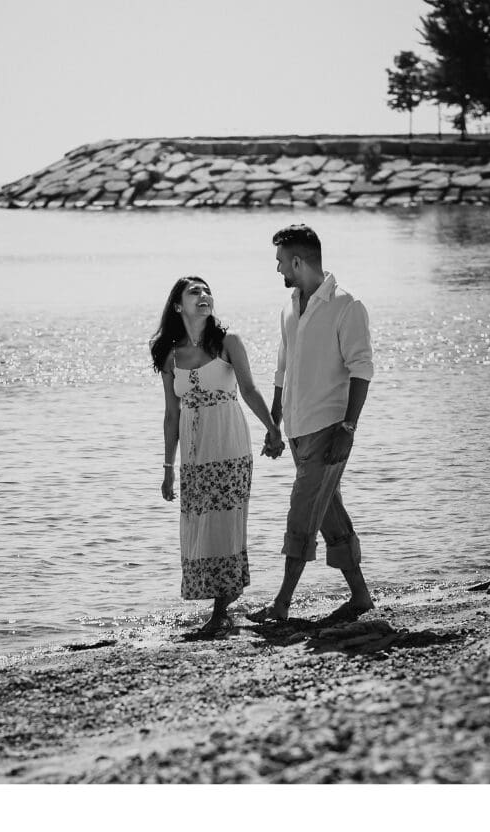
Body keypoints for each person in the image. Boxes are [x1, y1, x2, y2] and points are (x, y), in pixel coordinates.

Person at [246, 224, 376, 626]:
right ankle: (360, 597)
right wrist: (273, 424)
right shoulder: (289, 307)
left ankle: (281, 604)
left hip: (330, 432)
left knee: (301, 513)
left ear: (298, 261)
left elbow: (362, 370)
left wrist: (348, 429)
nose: (279, 269)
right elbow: (283, 369)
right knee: (327, 513)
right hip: (298, 434)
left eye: (281, 262)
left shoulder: (346, 306)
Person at [151, 276, 282, 639]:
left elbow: (251, 390)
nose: (204, 296)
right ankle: (223, 601)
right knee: (200, 525)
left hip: (229, 444)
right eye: (195, 292)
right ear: (178, 306)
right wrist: (167, 469)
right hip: (193, 453)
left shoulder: (228, 342)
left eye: (207, 291)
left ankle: (222, 611)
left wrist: (273, 430)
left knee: (226, 521)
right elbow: (171, 415)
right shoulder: (170, 355)